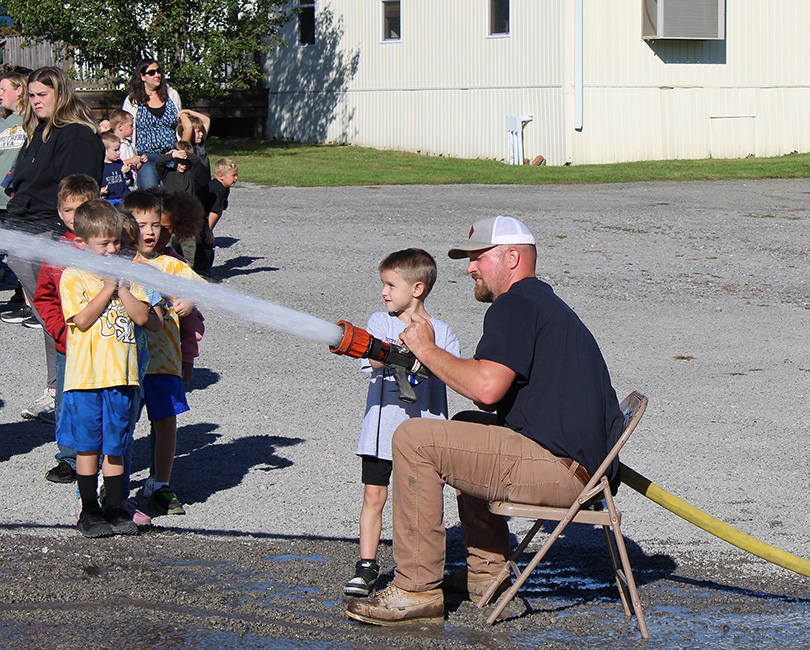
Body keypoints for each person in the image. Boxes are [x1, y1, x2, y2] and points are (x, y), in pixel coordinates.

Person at [345, 216, 624, 625]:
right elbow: (487, 399)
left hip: (562, 470)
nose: (470, 267)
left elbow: (487, 389)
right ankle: (486, 574)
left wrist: (426, 349)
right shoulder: (539, 302)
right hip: (581, 468)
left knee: (414, 439)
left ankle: (416, 589)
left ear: (512, 258)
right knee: (466, 425)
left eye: (478, 257)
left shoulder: (515, 304)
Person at [344, 249, 459, 598]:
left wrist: (423, 352)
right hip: (379, 434)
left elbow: (450, 373)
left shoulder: (442, 332)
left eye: (391, 285)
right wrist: (391, 352)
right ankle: (366, 566)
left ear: (418, 288)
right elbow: (370, 362)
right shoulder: (380, 323)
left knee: (421, 504)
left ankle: (420, 568)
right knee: (374, 496)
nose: (384, 292)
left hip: (425, 436)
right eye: (384, 285)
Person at [3, 66, 105, 424]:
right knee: (44, 312)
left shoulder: (75, 135)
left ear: (60, 94)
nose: (35, 101)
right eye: (30, 95)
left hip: (47, 234)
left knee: (57, 315)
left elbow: (76, 196)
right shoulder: (40, 132)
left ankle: (61, 390)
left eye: (41, 95)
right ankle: (60, 387)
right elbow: (22, 183)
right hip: (21, 229)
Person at [58, 199, 151, 538]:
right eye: (104, 244)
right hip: (85, 380)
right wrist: (108, 287)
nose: (113, 249)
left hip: (122, 377)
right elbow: (81, 320)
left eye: (115, 242)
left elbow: (142, 318)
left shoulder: (129, 276)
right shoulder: (74, 276)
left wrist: (122, 286)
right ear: (81, 243)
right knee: (88, 446)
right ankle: (89, 511)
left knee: (116, 446)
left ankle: (114, 507)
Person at [123, 190, 204, 516]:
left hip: (164, 363)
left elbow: (201, 286)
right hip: (125, 364)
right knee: (121, 426)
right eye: (142, 224)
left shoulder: (172, 264)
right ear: (125, 225)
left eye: (156, 224)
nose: (151, 231)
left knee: (166, 424)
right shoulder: (117, 263)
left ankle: (160, 485)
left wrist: (191, 298)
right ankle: (112, 485)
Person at [35, 175, 100, 484]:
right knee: (67, 400)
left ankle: (102, 453)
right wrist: (61, 331)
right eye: (67, 210)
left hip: (103, 342)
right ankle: (69, 457)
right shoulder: (57, 252)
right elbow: (44, 297)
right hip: (69, 343)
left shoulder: (107, 247)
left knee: (101, 398)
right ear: (59, 211)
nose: (74, 217)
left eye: (81, 209)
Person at [122, 59, 182, 189]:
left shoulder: (171, 95)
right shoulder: (133, 101)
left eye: (158, 71)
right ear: (142, 77)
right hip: (146, 158)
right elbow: (126, 129)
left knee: (173, 197)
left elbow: (179, 125)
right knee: (150, 199)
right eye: (152, 72)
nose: (157, 75)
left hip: (170, 155)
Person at [186, 157, 238, 280]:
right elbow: (214, 212)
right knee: (205, 242)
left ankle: (201, 269)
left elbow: (219, 210)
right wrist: (208, 231)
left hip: (202, 216)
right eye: (233, 175)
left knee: (204, 241)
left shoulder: (224, 188)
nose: (236, 178)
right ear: (221, 176)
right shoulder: (218, 189)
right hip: (194, 215)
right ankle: (200, 270)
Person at [177, 109, 211, 192]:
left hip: (205, 185)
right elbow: (188, 126)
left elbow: (207, 120)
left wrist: (187, 111)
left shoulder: (200, 144)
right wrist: (182, 115)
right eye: (198, 132)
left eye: (202, 131)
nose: (202, 134)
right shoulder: (186, 146)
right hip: (194, 189)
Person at [109, 109, 146, 184]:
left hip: (132, 185)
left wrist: (140, 162)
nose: (133, 128)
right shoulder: (113, 145)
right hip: (120, 184)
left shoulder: (130, 144)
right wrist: (130, 160)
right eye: (131, 125)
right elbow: (112, 165)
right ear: (120, 127)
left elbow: (134, 168)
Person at [99, 132, 132, 206]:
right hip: (109, 199)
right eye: (115, 150)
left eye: (119, 149)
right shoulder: (101, 166)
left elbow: (130, 182)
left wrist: (126, 173)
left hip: (123, 198)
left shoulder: (120, 164)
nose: (118, 152)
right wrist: (100, 192)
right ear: (105, 151)